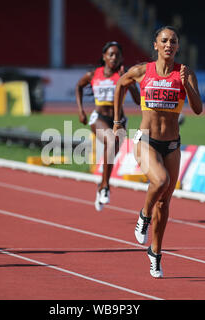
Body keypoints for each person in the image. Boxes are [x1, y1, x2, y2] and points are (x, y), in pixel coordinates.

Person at [113, 26, 203, 277]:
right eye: (164, 41)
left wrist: (188, 85)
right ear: (155, 45)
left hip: (172, 144)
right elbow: (120, 84)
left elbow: (197, 109)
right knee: (160, 180)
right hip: (146, 140)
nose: (169, 45)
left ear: (177, 46)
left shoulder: (185, 73)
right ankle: (143, 215)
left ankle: (155, 252)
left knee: (165, 203)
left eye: (173, 41)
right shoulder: (143, 71)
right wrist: (118, 120)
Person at [76, 41, 140, 211]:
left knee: (111, 151)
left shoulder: (124, 76)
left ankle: (102, 185)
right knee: (111, 142)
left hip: (119, 121)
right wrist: (81, 110)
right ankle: (105, 186)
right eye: (111, 54)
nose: (114, 58)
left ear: (121, 59)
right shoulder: (93, 75)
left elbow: (138, 101)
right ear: (104, 56)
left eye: (117, 55)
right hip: (99, 118)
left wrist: (129, 81)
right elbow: (79, 86)